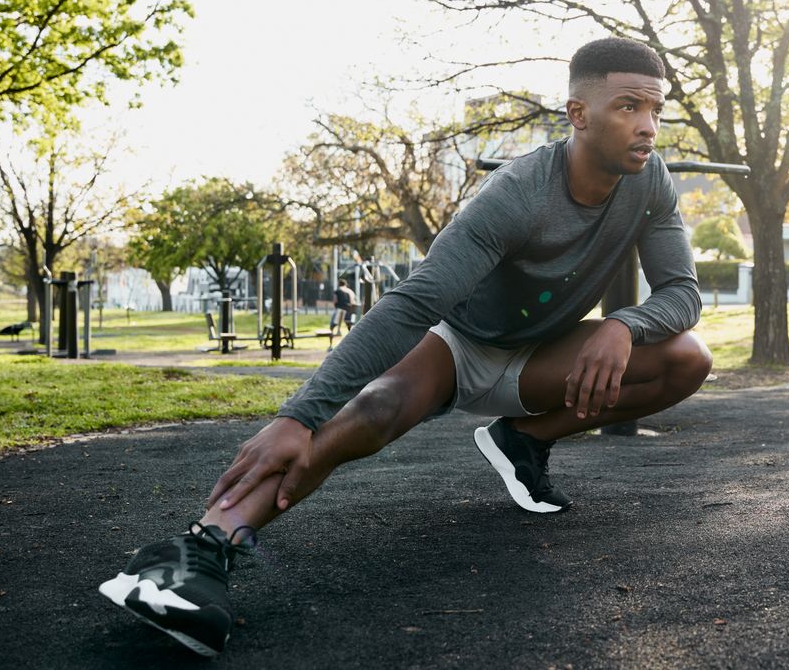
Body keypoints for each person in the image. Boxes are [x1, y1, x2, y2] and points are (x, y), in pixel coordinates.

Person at [98, 37, 712, 656]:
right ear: (578, 114)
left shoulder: (649, 181)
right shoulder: (519, 193)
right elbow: (415, 304)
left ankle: (525, 437)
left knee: (688, 358)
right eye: (629, 107)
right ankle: (199, 548)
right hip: (461, 341)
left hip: (545, 356)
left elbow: (683, 293)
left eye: (656, 111)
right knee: (376, 410)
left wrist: (622, 325)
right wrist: (297, 416)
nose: (648, 127)